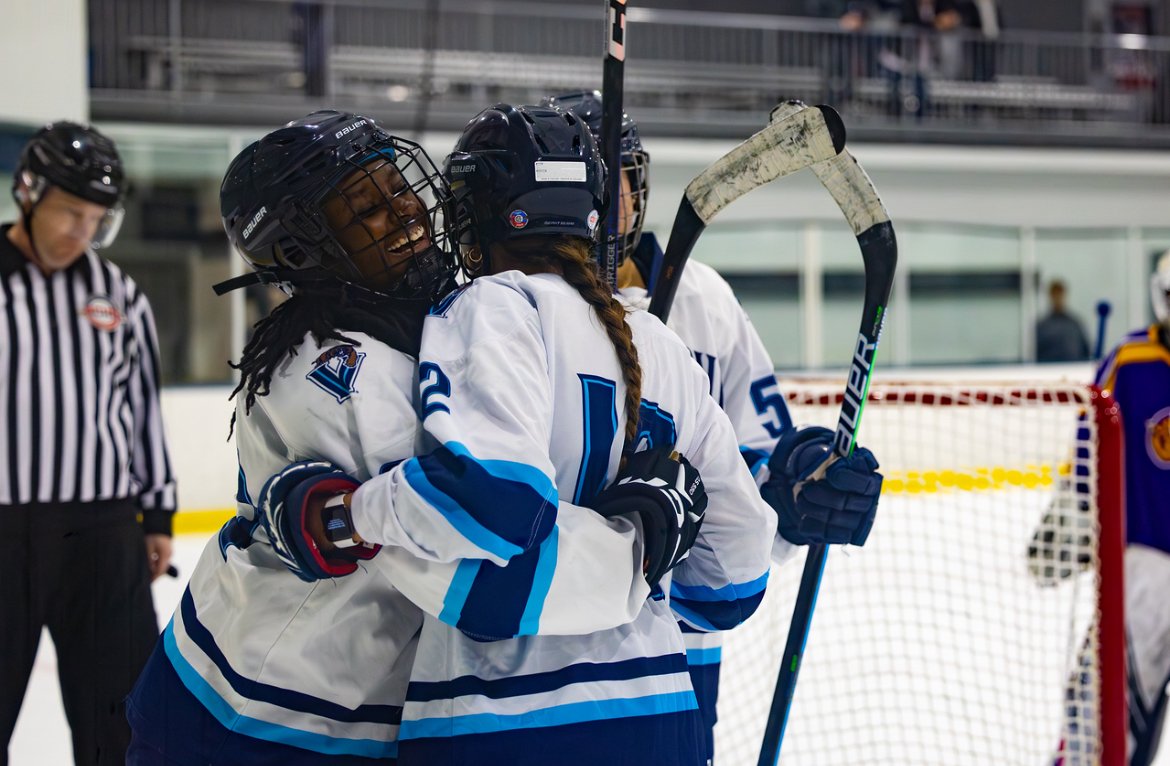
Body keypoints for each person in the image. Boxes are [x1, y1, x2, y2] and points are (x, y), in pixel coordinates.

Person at [125, 111, 678, 763]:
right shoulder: (333, 373)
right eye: (368, 208)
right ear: (305, 250)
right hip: (257, 718)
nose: (409, 211)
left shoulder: (444, 318)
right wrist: (638, 543)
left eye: (399, 187)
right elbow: (481, 548)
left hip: (342, 714)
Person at [541, 90, 884, 764]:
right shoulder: (512, 306)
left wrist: (795, 484)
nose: (608, 204)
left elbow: (753, 454)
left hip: (680, 651)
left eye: (621, 182)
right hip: (538, 650)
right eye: (589, 183)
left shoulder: (704, 300)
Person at [0, 122, 176, 765]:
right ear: (29, 192)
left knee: (120, 721)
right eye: (70, 211)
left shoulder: (120, 295)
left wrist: (156, 514)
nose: (82, 230)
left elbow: (140, 412)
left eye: (96, 218)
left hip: (101, 534)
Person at [1091, 253, 1170, 766]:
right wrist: (1079, 517)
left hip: (1146, 571)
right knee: (1107, 720)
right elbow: (1088, 450)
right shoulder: (1130, 362)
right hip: (1147, 570)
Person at [1036, 279, 1091, 362]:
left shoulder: (1075, 324)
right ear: (1051, 296)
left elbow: (1086, 351)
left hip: (1074, 370)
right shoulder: (1042, 327)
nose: (1058, 298)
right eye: (1055, 294)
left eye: (1060, 294)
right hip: (1049, 371)